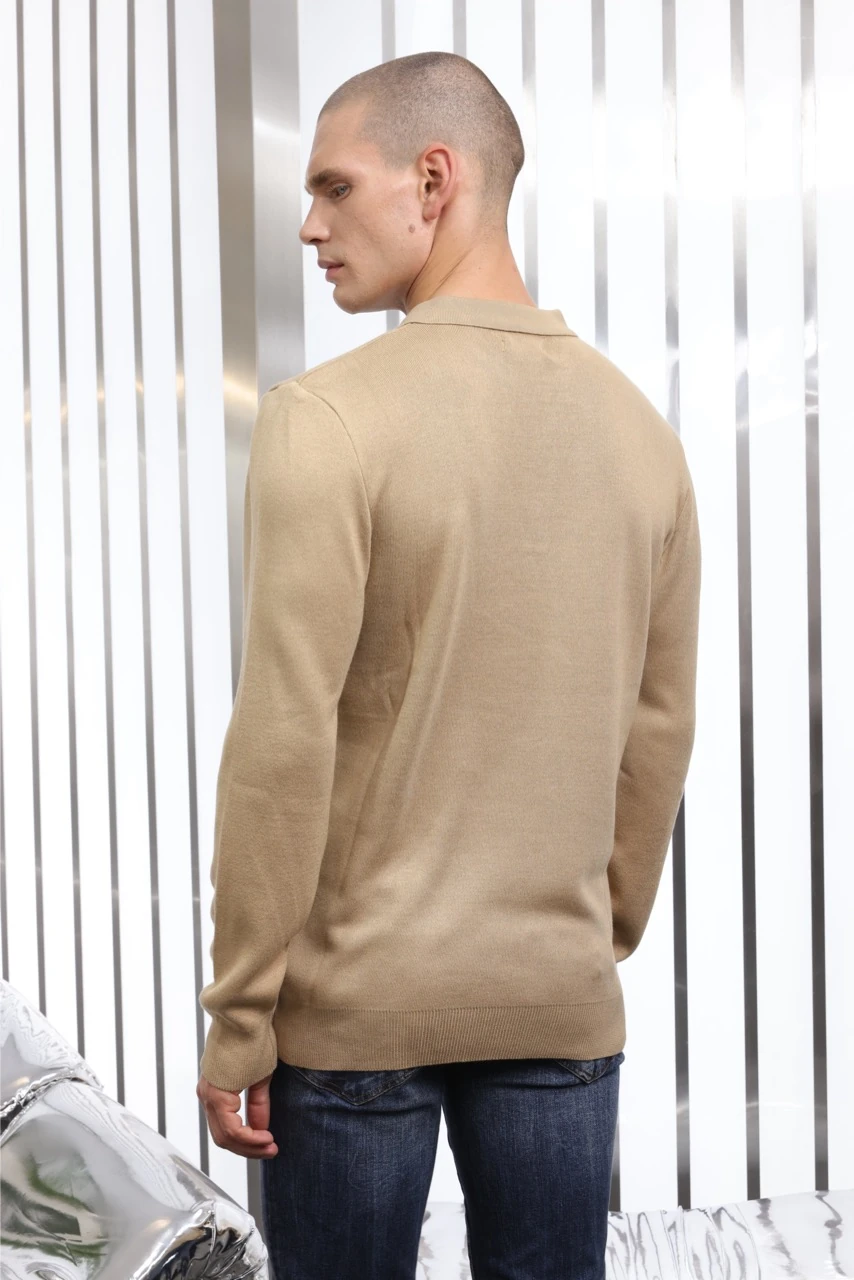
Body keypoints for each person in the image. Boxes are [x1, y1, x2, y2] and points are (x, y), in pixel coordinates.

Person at [196, 50, 701, 1280]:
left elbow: (283, 740)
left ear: (434, 180)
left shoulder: (328, 420)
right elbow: (657, 730)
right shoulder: (643, 440)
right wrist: (581, 934)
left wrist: (239, 1014)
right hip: (557, 999)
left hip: (354, 1015)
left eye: (334, 186)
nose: (310, 227)